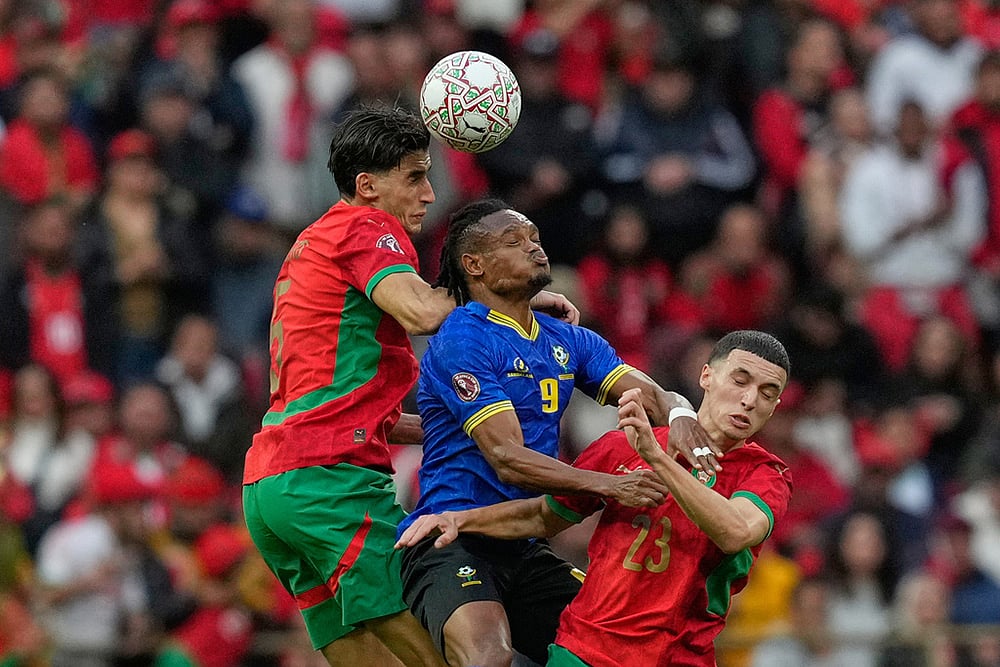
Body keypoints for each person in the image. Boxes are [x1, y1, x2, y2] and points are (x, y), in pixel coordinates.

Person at [241, 106, 578, 667]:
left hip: (274, 486)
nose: (429, 193)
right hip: (332, 482)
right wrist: (504, 296)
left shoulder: (311, 244)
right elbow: (421, 311)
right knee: (455, 651)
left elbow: (367, 411)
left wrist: (456, 430)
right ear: (367, 185)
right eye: (415, 177)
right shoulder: (365, 227)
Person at [397, 198, 716, 667]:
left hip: (524, 547)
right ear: (474, 265)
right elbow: (507, 456)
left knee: (619, 651)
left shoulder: (567, 338)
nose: (534, 249)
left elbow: (651, 394)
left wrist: (682, 412)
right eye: (514, 242)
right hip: (449, 539)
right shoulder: (461, 340)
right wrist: (608, 486)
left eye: (535, 240)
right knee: (490, 659)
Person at [397, 329, 794, 667]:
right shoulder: (620, 446)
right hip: (582, 651)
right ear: (707, 376)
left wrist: (658, 458)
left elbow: (735, 531)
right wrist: (461, 520)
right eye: (740, 380)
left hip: (676, 657)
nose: (749, 400)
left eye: (767, 392)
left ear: (775, 408)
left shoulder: (765, 475)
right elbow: (544, 517)